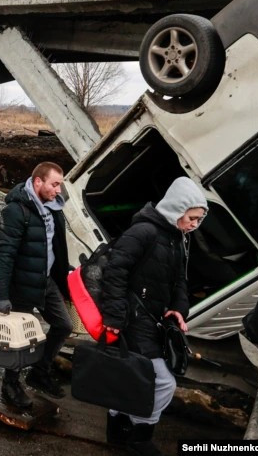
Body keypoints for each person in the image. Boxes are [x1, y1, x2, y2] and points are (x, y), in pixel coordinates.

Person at [100, 176, 207, 455]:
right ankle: (140, 435)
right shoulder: (143, 232)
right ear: (176, 209)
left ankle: (117, 430)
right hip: (131, 319)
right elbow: (115, 272)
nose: (195, 224)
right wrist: (114, 317)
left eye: (199, 219)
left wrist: (179, 310)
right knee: (162, 381)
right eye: (192, 217)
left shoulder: (178, 239)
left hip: (153, 319)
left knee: (130, 375)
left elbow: (181, 282)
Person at [0, 161, 73, 408]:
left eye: (60, 184)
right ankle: (10, 384)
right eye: (54, 184)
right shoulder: (16, 211)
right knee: (20, 338)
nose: (58, 190)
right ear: (38, 182)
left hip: (45, 282)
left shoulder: (54, 209)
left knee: (64, 325)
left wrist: (65, 281)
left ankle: (40, 371)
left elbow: (56, 248)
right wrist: (1, 295)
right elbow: (6, 254)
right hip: (22, 285)